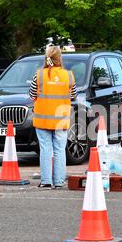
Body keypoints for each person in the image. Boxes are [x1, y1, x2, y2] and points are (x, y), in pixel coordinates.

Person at [29, 46, 77, 189]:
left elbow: (32, 94)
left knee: (45, 149)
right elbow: (73, 95)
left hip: (42, 119)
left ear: (47, 58)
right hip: (61, 119)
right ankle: (59, 181)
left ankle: (46, 181)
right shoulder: (68, 75)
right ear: (59, 58)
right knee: (59, 149)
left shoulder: (39, 75)